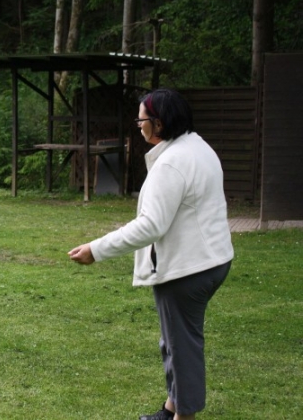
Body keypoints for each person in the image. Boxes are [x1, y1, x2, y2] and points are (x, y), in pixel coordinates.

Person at [68, 88, 234, 420]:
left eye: (141, 119)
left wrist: (96, 250)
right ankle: (171, 407)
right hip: (213, 261)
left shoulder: (172, 163)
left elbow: (150, 226)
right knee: (175, 339)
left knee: (182, 347)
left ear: (158, 123)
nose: (138, 125)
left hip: (189, 270)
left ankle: (182, 417)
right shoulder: (197, 147)